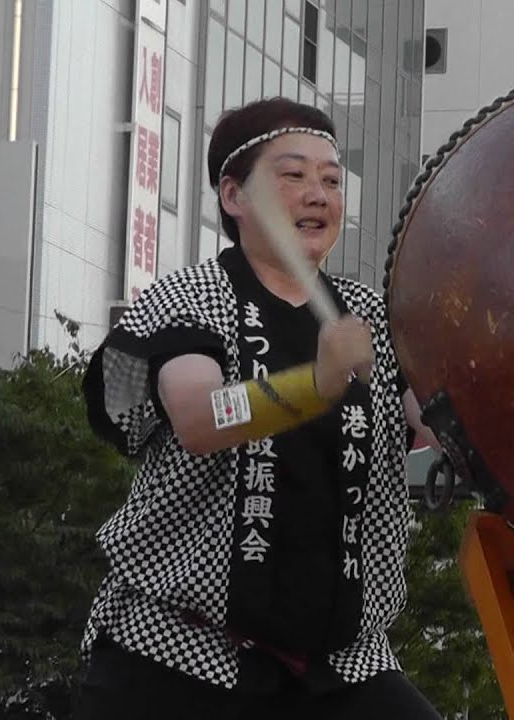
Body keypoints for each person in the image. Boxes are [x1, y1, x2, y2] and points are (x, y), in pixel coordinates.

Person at [73, 97, 442, 719]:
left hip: (342, 664)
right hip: (179, 653)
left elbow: (444, 422)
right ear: (234, 196)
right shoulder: (187, 298)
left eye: (331, 179)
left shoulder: (377, 317)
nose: (318, 194)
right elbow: (197, 421)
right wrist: (318, 384)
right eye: (293, 176)